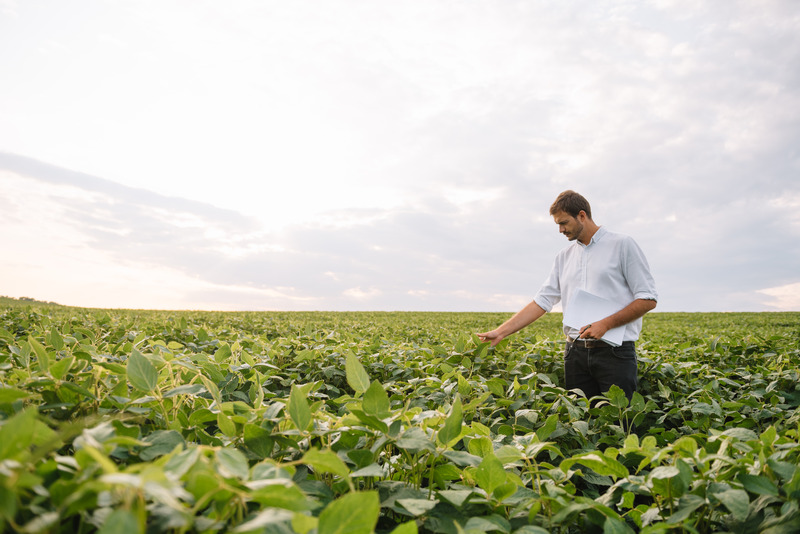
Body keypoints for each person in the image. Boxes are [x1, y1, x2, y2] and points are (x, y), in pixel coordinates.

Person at [477, 190, 657, 402]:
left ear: (582, 215)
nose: (560, 230)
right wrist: (500, 332)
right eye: (557, 225)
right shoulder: (564, 256)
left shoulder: (622, 244)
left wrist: (606, 324)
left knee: (620, 423)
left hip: (615, 354)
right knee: (581, 424)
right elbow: (542, 301)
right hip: (575, 353)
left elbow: (648, 298)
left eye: (563, 223)